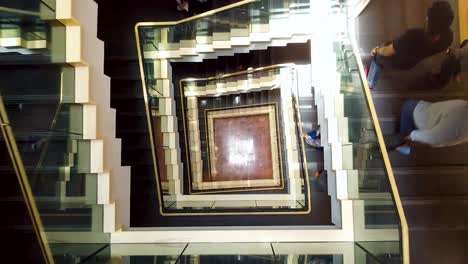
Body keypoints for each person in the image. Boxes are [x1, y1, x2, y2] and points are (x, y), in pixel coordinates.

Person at [367, 1, 454, 89]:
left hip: (401, 63)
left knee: (377, 56)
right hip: (414, 63)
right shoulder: (448, 36)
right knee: (388, 44)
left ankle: (369, 83)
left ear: (428, 20)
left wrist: (377, 49)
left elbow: (388, 52)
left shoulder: (412, 36)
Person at [396, 99, 468, 155]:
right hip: (429, 113)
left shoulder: (460, 123)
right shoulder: (463, 111)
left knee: (407, 106)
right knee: (409, 105)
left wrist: (413, 136)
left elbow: (435, 137)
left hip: (420, 121)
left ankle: (404, 144)